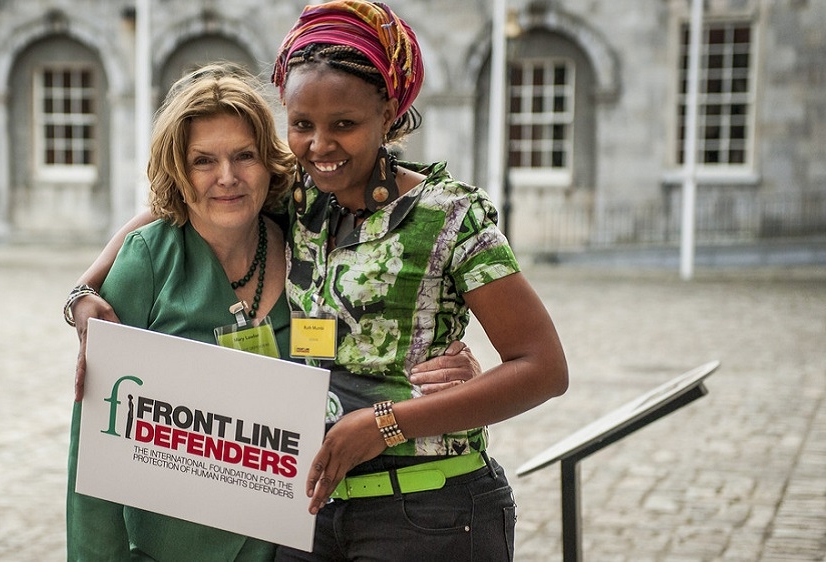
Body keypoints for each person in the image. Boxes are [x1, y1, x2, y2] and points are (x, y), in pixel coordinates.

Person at [64, 63, 482, 561]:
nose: (227, 178)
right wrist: (81, 293)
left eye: (244, 156)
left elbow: (366, 347)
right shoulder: (149, 260)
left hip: (288, 546)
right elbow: (93, 455)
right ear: (179, 169)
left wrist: (443, 367)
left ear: (270, 164)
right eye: (203, 161)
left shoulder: (307, 246)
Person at [267, 2, 568, 560]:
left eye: (345, 125)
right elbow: (181, 201)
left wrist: (386, 424)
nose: (320, 145)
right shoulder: (292, 201)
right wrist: (85, 291)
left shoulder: (450, 216)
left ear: (388, 115)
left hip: (431, 513)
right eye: (302, 125)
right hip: (310, 510)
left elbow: (543, 369)